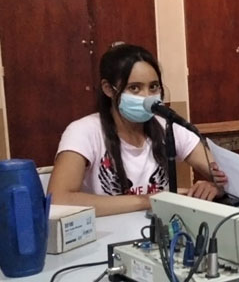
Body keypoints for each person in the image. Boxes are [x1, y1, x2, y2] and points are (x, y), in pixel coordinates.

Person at [48, 43, 225, 217]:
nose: (147, 97)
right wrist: (147, 200)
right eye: (134, 88)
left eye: (153, 87)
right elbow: (58, 198)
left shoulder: (168, 126)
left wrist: (217, 187)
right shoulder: (83, 131)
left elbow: (229, 176)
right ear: (108, 89)